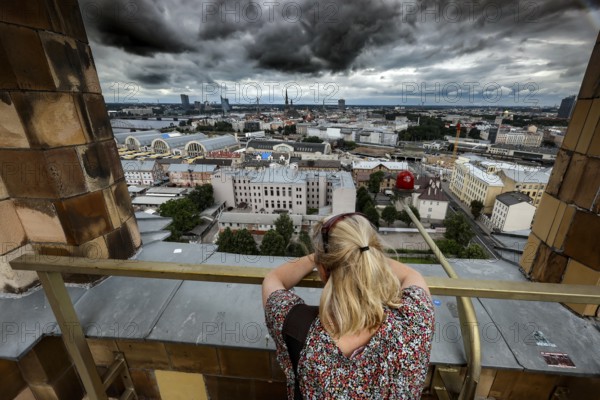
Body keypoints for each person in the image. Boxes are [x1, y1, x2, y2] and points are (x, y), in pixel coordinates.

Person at [263, 212, 435, 399]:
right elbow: (412, 275)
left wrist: (319, 257)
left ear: (323, 270)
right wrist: (364, 254)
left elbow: (274, 279)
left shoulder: (296, 325)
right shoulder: (415, 320)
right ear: (374, 261)